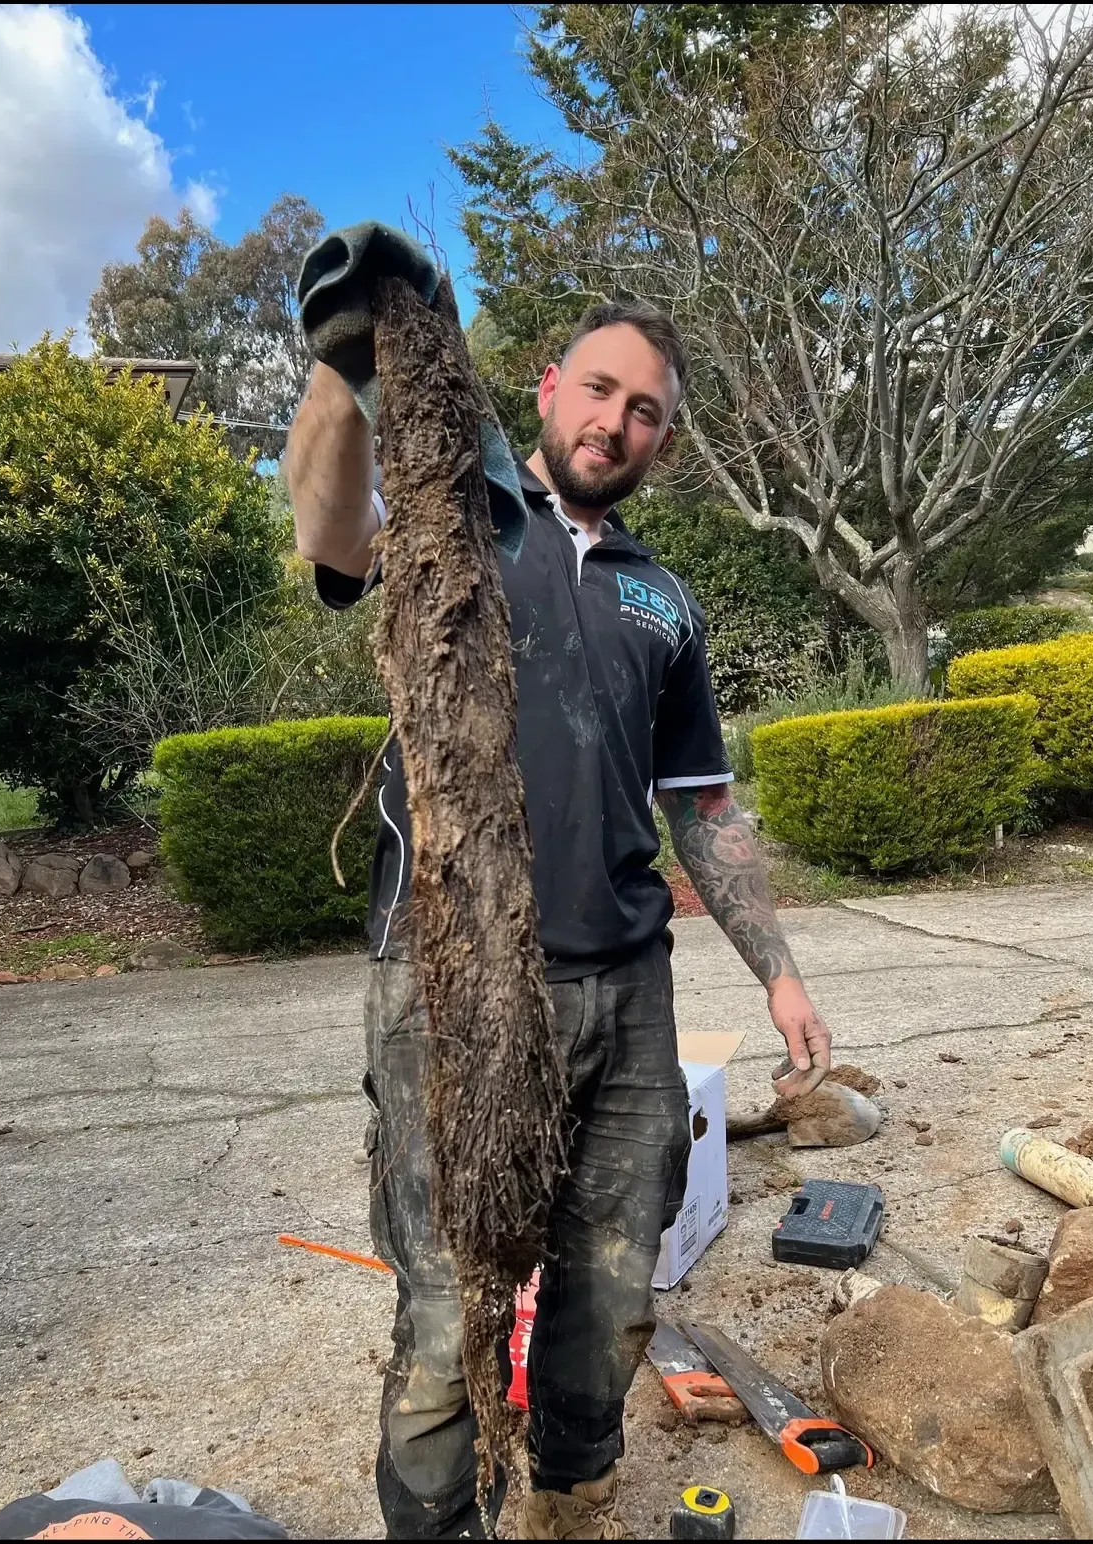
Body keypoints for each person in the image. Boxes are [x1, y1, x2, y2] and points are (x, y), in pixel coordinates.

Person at [286, 300, 833, 1541]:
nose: (615, 420)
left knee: (611, 1289)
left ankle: (570, 1494)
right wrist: (346, 366)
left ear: (663, 442)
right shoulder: (456, 516)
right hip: (454, 978)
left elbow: (701, 802)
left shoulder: (664, 600)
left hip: (629, 989)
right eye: (599, 389)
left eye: (644, 410)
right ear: (546, 389)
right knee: (443, 1309)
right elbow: (327, 528)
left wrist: (780, 970)